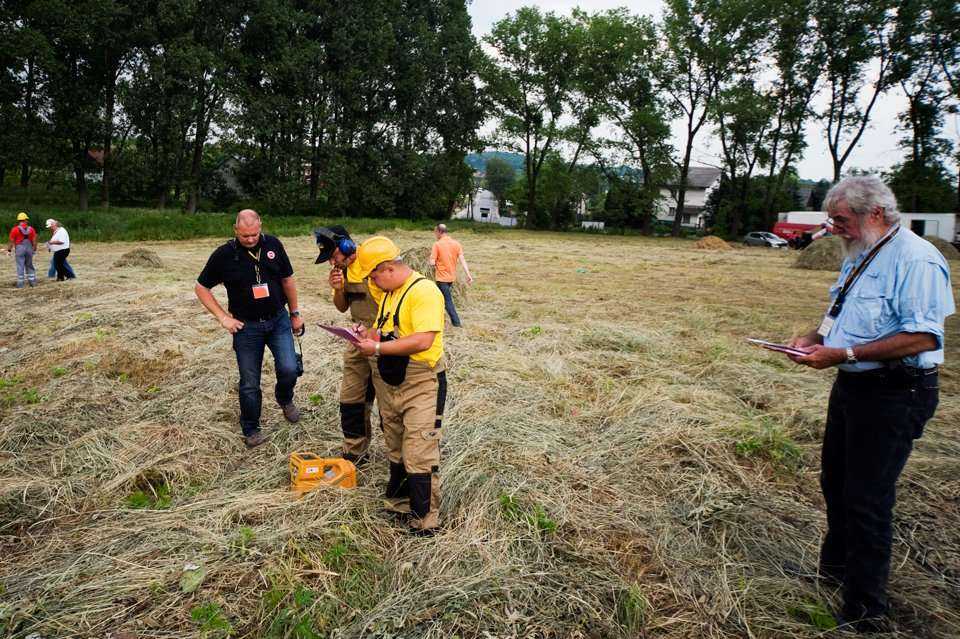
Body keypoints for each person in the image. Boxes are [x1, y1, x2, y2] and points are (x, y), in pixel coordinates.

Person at [787, 175, 955, 632]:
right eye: (831, 219)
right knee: (836, 482)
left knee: (867, 498)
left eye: (841, 219)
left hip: (895, 393)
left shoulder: (917, 259)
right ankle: (834, 573)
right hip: (853, 386)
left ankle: (866, 609)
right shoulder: (862, 253)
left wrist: (843, 354)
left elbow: (923, 337)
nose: (834, 227)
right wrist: (813, 338)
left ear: (875, 213)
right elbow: (841, 314)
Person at [354, 245, 447, 534]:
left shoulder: (425, 292)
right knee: (395, 444)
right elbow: (383, 330)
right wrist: (365, 335)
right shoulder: (390, 293)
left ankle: (424, 521)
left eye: (373, 277)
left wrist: (376, 348)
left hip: (422, 382)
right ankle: (399, 504)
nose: (372, 283)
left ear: (389, 269)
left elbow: (423, 340)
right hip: (392, 381)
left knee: (419, 449)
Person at [195, 209, 305, 448]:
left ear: (260, 226)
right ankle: (251, 427)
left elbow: (287, 280)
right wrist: (223, 318)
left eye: (254, 234)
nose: (251, 239)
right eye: (245, 236)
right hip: (247, 327)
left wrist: (295, 314)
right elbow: (201, 288)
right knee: (249, 382)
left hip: (278, 321)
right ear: (235, 230)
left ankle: (285, 398)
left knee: (289, 368)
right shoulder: (224, 255)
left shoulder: (274, 244)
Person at [314, 226, 394, 466]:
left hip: (383, 339)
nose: (332, 262)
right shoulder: (343, 271)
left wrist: (378, 334)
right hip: (357, 340)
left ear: (347, 246)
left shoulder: (374, 264)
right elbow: (342, 307)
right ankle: (354, 453)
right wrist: (339, 289)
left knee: (389, 404)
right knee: (351, 399)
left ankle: (399, 458)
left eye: (333, 255)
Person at [429, 223, 472, 327]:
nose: (435, 234)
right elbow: (462, 260)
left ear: (439, 232)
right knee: (439, 299)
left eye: (435, 232)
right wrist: (468, 275)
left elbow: (432, 262)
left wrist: (431, 260)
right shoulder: (456, 244)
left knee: (447, 301)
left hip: (441, 278)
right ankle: (438, 319)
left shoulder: (437, 245)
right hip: (451, 278)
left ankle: (456, 323)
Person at [7, 212, 37, 288]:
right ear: (25, 220)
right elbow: (34, 241)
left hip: (19, 248)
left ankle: (20, 285)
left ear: (19, 220)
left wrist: (9, 250)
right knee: (29, 265)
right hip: (29, 248)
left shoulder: (15, 229)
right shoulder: (31, 229)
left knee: (20, 266)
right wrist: (34, 249)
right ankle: (32, 283)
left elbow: (11, 241)